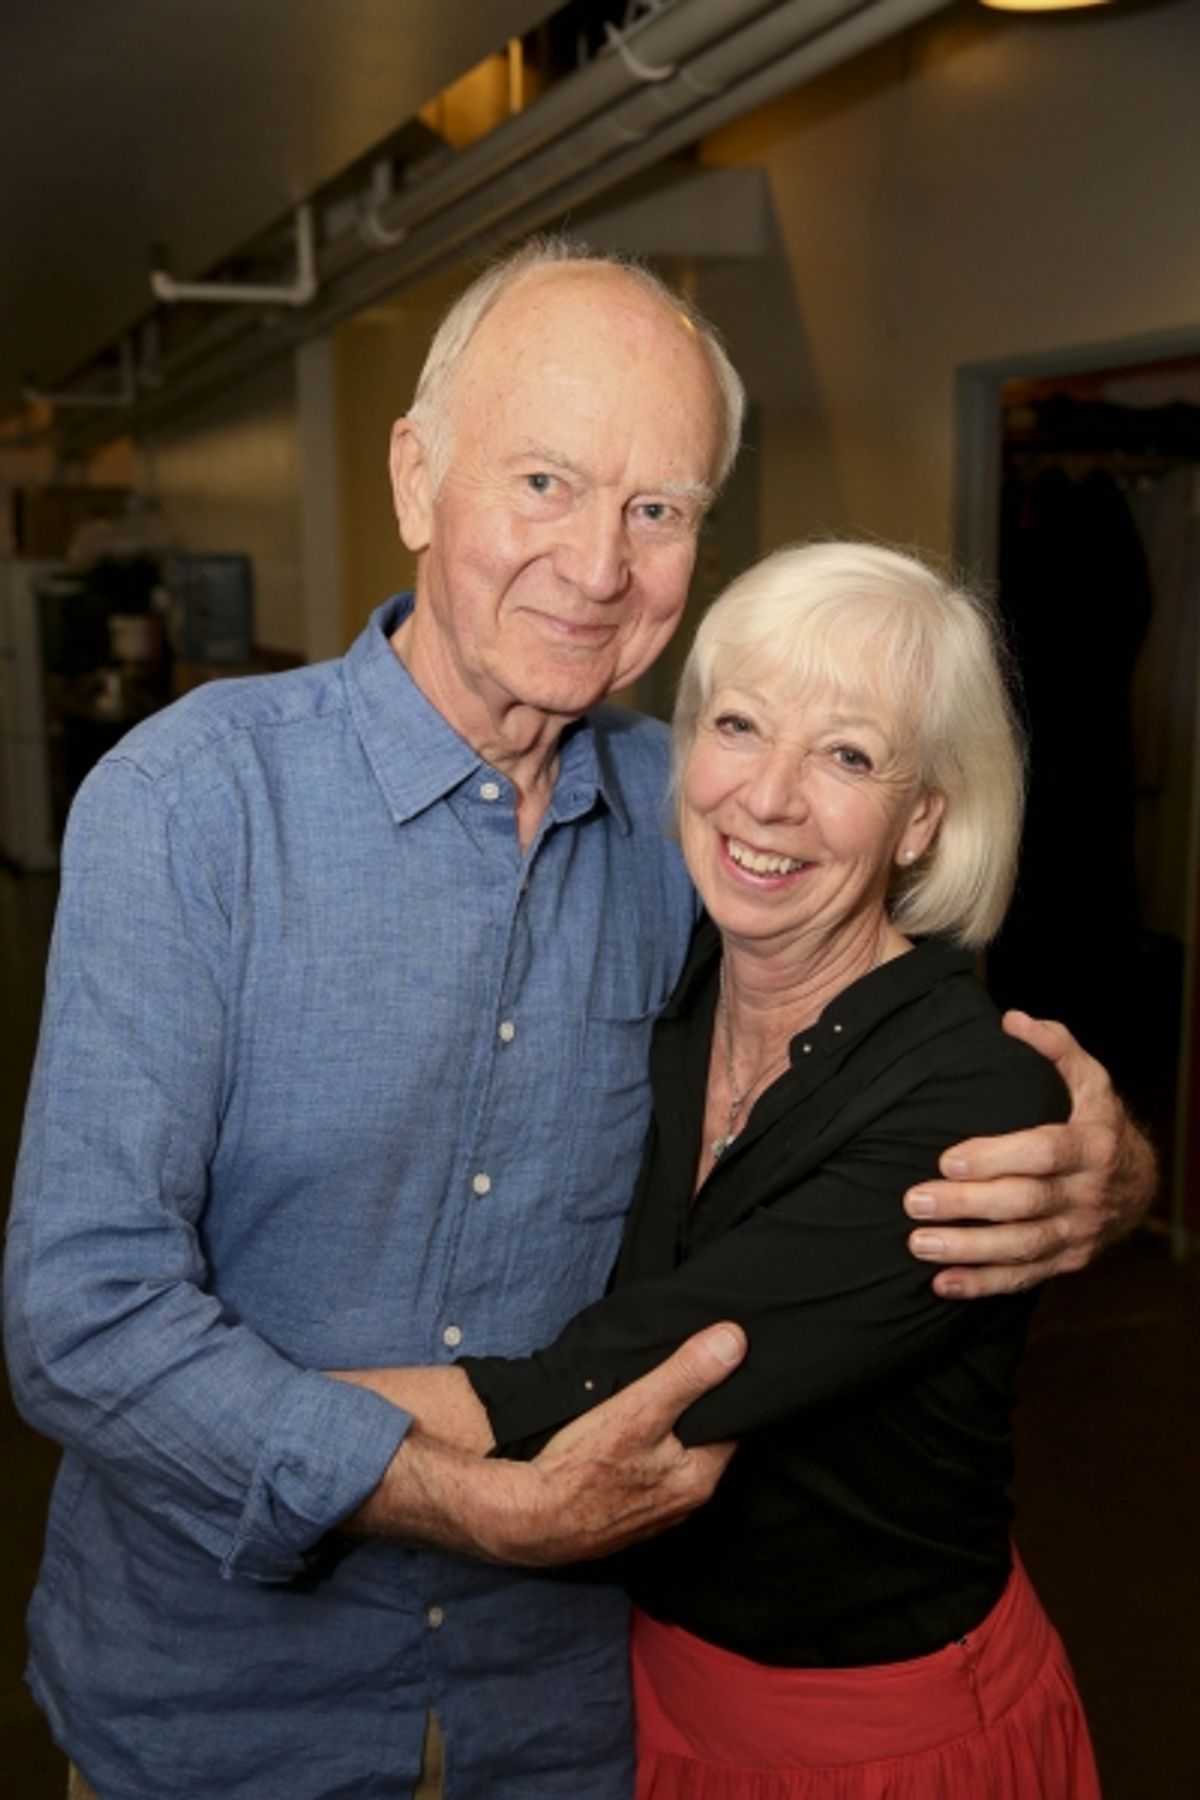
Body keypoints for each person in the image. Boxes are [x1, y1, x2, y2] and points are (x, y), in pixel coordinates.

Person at [3, 240, 1146, 1800]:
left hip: (567, 1718)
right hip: (221, 1712)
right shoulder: (194, 806)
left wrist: (1105, 1172)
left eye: (657, 509)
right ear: (417, 478)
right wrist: (460, 1503)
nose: (599, 565)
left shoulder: (708, 820)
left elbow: (879, 1054)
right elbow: (80, 1316)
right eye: (544, 481)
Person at [368, 542, 1101, 1795]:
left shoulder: (968, 1099)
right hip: (646, 1695)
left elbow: (594, 1383)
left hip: (881, 1748)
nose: (768, 797)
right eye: (741, 725)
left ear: (924, 816)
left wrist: (206, 1414)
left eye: (849, 756)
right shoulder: (683, 996)